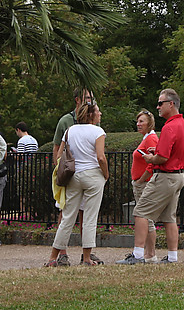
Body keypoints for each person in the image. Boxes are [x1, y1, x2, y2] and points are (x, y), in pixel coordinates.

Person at [118, 88, 184, 265]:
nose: (158, 107)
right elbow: (176, 152)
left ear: (171, 104)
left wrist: (152, 158)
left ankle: (138, 255)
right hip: (178, 176)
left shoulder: (169, 127)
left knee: (141, 212)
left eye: (161, 103)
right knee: (169, 218)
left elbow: (163, 158)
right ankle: (172, 257)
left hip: (165, 176)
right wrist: (157, 152)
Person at [44, 102, 108, 267]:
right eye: (98, 112)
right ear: (91, 115)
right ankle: (86, 258)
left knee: (67, 217)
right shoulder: (98, 131)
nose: (100, 114)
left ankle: (53, 257)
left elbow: (59, 156)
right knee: (89, 217)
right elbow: (101, 157)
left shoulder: (69, 130)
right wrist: (106, 174)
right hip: (93, 175)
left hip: (74, 176)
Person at [50, 88, 93, 266]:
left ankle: (87, 254)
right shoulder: (66, 121)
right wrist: (60, 170)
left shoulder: (93, 121)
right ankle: (62, 253)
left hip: (86, 173)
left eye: (91, 98)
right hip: (70, 173)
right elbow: (56, 147)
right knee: (66, 213)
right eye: (87, 98)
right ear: (77, 100)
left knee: (86, 214)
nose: (90, 101)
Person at [129, 110, 159, 262]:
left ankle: (150, 253)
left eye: (142, 121)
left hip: (144, 184)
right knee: (145, 218)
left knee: (146, 218)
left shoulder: (151, 139)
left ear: (149, 123)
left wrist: (141, 180)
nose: (138, 124)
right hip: (141, 183)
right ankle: (148, 253)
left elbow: (153, 163)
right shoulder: (146, 138)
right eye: (138, 121)